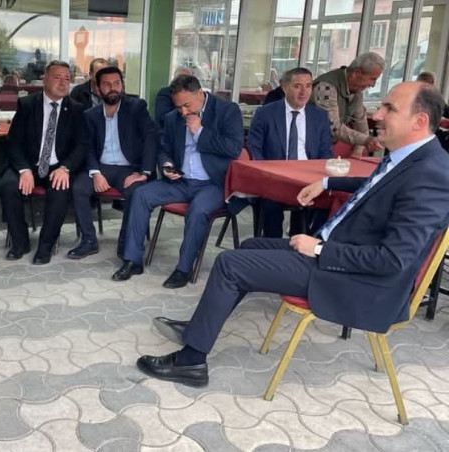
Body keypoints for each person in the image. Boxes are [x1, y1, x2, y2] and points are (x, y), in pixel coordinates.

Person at [137, 82, 449, 388]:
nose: (377, 114)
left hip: (355, 280)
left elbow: (392, 260)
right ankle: (199, 328)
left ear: (419, 121)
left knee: (230, 265)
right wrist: (326, 184)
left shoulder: (430, 174)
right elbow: (375, 188)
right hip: (338, 257)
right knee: (249, 246)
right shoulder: (410, 158)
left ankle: (191, 361)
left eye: (389, 108)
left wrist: (319, 249)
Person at [113, 75, 243, 288]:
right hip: (181, 181)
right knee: (140, 194)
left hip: (214, 183)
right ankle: (132, 260)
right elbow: (164, 149)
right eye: (178, 106)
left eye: (187, 105)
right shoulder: (173, 118)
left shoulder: (227, 111)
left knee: (198, 210)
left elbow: (233, 149)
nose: (183, 111)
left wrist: (200, 132)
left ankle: (183, 269)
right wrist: (166, 165)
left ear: (200, 94)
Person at [0, 60, 88, 265]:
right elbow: (13, 142)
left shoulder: (76, 109)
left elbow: (82, 145)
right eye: (57, 77)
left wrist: (66, 168)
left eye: (67, 79)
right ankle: (20, 242)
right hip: (28, 164)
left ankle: (45, 246)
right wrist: (23, 170)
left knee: (60, 190)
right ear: (45, 79)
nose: (63, 83)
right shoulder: (27, 105)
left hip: (58, 167)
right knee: (8, 186)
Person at [68, 67, 157, 260]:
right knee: (78, 188)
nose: (113, 88)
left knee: (136, 193)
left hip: (130, 169)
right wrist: (95, 173)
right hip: (102, 167)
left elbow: (151, 138)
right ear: (98, 89)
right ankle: (89, 241)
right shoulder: (90, 115)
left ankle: (126, 243)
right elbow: (88, 147)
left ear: (122, 86)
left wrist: (144, 172)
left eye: (117, 83)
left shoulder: (136, 107)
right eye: (107, 84)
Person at [248, 67, 333, 238]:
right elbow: (254, 148)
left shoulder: (319, 116)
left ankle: (305, 240)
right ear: (284, 87)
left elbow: (325, 151)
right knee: (271, 206)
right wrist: (266, 174)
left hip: (309, 177)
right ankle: (272, 247)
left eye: (308, 86)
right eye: (297, 86)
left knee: (330, 200)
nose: (304, 92)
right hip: (275, 178)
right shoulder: (265, 113)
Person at [312, 52, 386, 157]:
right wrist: (366, 140)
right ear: (356, 73)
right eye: (372, 79)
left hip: (324, 146)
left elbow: (361, 123)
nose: (373, 85)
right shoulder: (326, 87)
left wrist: (357, 152)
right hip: (309, 146)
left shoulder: (357, 90)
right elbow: (333, 127)